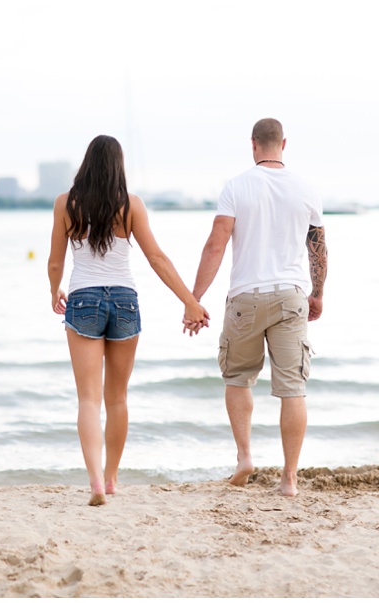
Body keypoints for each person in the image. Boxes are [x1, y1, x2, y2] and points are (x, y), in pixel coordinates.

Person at [48, 134, 208, 506]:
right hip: (124, 301)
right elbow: (157, 258)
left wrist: (54, 289)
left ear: (86, 164)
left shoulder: (65, 204)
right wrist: (189, 301)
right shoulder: (131, 205)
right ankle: (112, 478)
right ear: (119, 166)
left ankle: (95, 484)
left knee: (88, 399)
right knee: (116, 398)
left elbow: (56, 260)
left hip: (84, 299)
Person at [189, 118, 328, 496]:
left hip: (245, 297)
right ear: (284, 143)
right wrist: (317, 293)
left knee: (237, 378)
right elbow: (318, 247)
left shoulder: (236, 187)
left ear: (253, 145)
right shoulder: (306, 189)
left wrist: (194, 298)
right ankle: (289, 480)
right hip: (290, 295)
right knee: (292, 388)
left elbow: (215, 245)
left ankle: (245, 456)